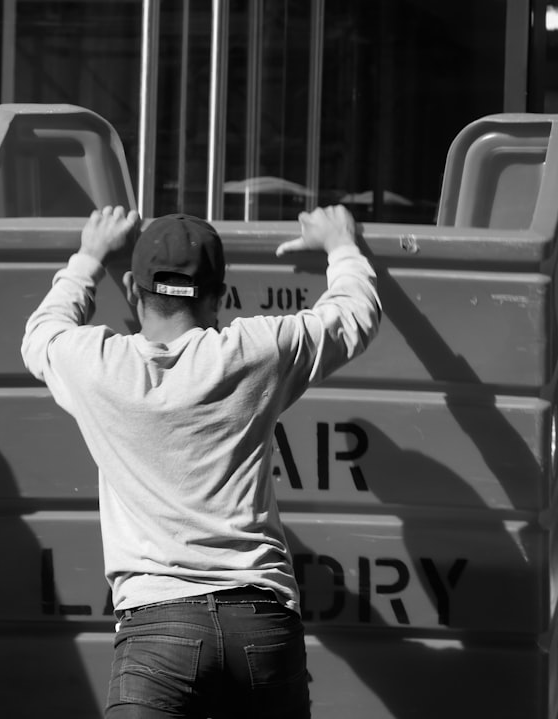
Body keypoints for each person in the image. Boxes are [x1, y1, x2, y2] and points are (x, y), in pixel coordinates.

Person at [20, 204, 381, 718]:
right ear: (217, 299)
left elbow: (41, 334)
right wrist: (341, 243)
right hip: (261, 623)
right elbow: (352, 317)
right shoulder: (255, 351)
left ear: (129, 289)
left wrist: (87, 257)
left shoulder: (95, 365)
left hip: (156, 633)